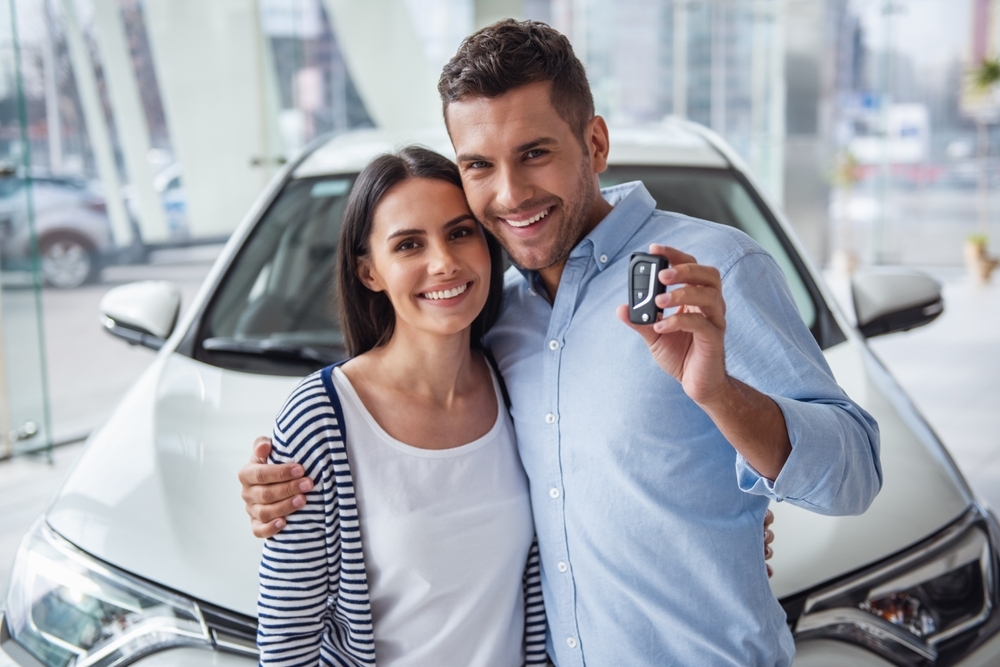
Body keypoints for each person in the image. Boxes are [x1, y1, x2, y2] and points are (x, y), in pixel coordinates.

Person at [243, 20, 881, 666]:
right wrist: (284, 492)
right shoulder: (497, 327)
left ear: (595, 142)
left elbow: (854, 475)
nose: (511, 194)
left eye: (535, 153)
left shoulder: (715, 271)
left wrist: (722, 399)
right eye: (479, 166)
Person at [256, 147, 547, 666]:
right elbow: (286, 647)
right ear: (370, 272)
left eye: (460, 232)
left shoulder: (518, 376)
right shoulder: (322, 419)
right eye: (409, 244)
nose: (444, 262)